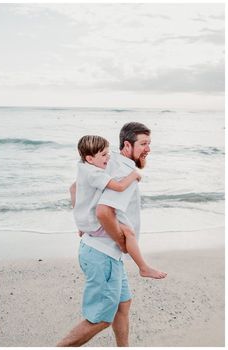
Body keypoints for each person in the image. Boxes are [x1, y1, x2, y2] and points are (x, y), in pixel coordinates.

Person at [57, 122, 167, 347]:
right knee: (99, 319)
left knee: (122, 305)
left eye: (149, 143)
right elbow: (104, 212)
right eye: (143, 144)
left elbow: (74, 187)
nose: (148, 149)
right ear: (127, 145)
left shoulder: (108, 160)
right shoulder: (124, 172)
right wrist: (120, 240)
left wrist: (81, 220)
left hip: (103, 252)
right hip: (103, 254)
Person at [71, 134, 165, 278]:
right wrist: (134, 175)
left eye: (108, 153)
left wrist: (80, 221)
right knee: (129, 233)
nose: (108, 157)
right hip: (95, 226)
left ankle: (136, 259)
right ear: (90, 159)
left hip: (84, 223)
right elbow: (120, 186)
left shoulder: (83, 167)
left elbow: (72, 188)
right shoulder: (95, 173)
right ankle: (143, 267)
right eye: (103, 155)